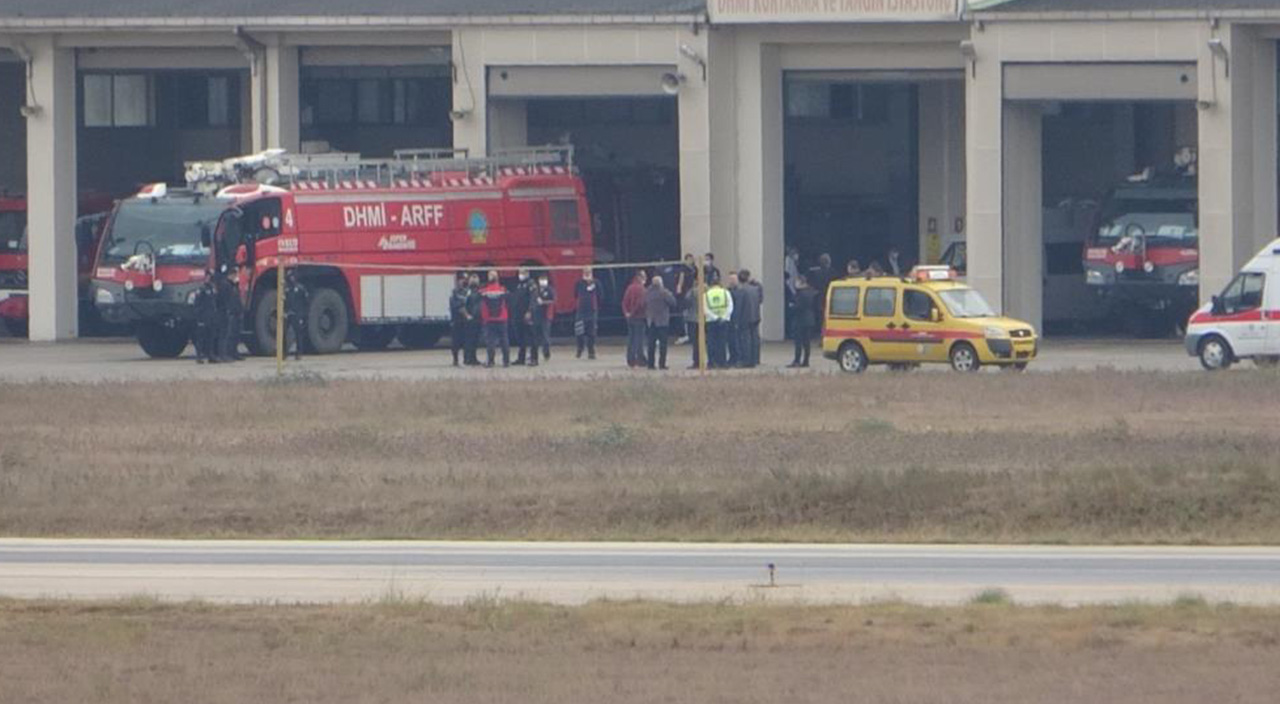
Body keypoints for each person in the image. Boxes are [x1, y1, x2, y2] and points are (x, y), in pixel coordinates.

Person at [644, 274, 677, 370]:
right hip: (662, 321)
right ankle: (662, 364)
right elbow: (673, 302)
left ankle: (650, 364)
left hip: (651, 320)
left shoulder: (647, 292)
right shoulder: (664, 292)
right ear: (661, 283)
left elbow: (644, 303)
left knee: (651, 344)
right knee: (663, 344)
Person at [479, 269, 510, 368]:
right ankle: (506, 361)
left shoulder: (484, 291)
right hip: (502, 319)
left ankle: (491, 361)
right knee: (504, 340)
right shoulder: (502, 290)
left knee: (490, 342)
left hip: (489, 319)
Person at [703, 272, 734, 368]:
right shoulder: (726, 292)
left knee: (711, 343)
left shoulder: (706, 294)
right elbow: (730, 306)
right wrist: (724, 317)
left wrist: (714, 317)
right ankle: (722, 362)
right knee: (722, 342)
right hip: (724, 321)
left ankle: (712, 362)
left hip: (710, 321)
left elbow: (705, 309)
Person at [788, 274, 818, 368]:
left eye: (796, 282)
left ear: (801, 282)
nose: (795, 284)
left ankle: (797, 360)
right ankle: (806, 360)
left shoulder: (801, 293)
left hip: (800, 320)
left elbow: (798, 307)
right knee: (807, 342)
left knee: (798, 342)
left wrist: (792, 306)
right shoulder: (812, 292)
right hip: (809, 319)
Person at [622, 269, 649, 368]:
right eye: (644, 276)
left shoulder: (629, 288)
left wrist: (627, 313)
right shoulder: (642, 289)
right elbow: (640, 304)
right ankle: (640, 359)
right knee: (639, 340)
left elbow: (624, 302)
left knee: (631, 339)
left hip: (630, 318)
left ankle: (630, 359)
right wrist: (633, 313)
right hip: (639, 317)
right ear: (640, 277)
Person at [216, 272, 244, 362]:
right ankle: (224, 354)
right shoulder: (225, 285)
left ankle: (233, 352)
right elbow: (225, 300)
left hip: (236, 312)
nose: (236, 277)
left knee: (235, 334)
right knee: (225, 334)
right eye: (234, 275)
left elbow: (236, 299)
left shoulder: (233, 285)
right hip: (227, 313)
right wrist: (228, 310)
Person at [529, 272, 556, 366]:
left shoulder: (550, 290)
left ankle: (546, 351)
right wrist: (530, 312)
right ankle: (533, 357)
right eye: (541, 280)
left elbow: (553, 301)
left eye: (544, 280)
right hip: (536, 316)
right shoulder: (536, 291)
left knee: (545, 336)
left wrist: (544, 302)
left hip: (546, 316)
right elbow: (532, 302)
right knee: (534, 337)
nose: (542, 282)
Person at [737, 269, 763, 368]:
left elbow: (739, 306)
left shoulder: (742, 290)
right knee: (755, 338)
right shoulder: (755, 289)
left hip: (745, 317)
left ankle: (746, 360)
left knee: (745, 339)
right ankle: (755, 359)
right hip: (755, 316)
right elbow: (761, 299)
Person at [574, 267, 600, 360]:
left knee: (591, 333)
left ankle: (591, 352)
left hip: (592, 311)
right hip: (581, 311)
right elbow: (575, 294)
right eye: (585, 272)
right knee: (579, 332)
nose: (587, 273)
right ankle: (580, 349)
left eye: (589, 272)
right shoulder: (579, 283)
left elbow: (601, 295)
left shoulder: (596, 283)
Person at [283, 268, 309, 361]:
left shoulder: (300, 289)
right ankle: (284, 353)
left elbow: (305, 303)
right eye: (290, 277)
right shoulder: (286, 289)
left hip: (297, 314)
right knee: (283, 334)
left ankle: (299, 353)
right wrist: (284, 312)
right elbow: (283, 302)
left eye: (292, 277)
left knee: (298, 334)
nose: (291, 279)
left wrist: (302, 315)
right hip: (288, 314)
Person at [509, 267, 533, 365]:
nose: (520, 275)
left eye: (522, 273)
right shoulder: (519, 285)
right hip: (517, 315)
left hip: (525, 314)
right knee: (520, 337)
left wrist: (529, 311)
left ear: (527, 273)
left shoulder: (530, 284)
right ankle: (521, 358)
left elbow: (533, 299)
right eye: (519, 273)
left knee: (530, 336)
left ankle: (532, 357)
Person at [192, 274, 217, 364]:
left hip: (211, 317)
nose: (208, 279)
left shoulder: (212, 289)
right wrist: (199, 317)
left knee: (210, 337)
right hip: (203, 317)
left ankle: (211, 355)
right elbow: (197, 304)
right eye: (207, 277)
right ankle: (199, 356)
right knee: (201, 338)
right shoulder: (201, 290)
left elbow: (214, 303)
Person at [449, 273, 472, 367]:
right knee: (455, 342)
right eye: (462, 279)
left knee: (467, 341)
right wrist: (466, 314)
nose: (464, 281)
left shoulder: (469, 292)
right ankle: (455, 360)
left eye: (465, 279)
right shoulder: (454, 293)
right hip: (457, 320)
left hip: (466, 322)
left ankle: (467, 359)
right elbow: (457, 306)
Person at [674, 253, 697, 345]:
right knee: (683, 313)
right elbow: (681, 279)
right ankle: (684, 333)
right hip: (685, 292)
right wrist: (679, 288)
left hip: (692, 292)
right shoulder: (683, 269)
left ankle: (690, 333)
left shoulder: (695, 269)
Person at [464, 273, 483, 365]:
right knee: (469, 340)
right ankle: (468, 358)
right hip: (470, 319)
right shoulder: (467, 292)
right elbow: (464, 305)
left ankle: (473, 358)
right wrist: (467, 315)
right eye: (473, 278)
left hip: (478, 319)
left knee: (475, 340)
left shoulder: (480, 292)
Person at [726, 274, 743, 368]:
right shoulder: (727, 291)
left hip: (736, 319)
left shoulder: (739, 292)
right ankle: (732, 358)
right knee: (731, 341)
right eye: (730, 279)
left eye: (733, 279)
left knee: (737, 341)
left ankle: (737, 358)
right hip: (729, 319)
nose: (732, 281)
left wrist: (737, 320)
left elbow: (738, 307)